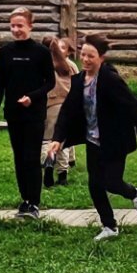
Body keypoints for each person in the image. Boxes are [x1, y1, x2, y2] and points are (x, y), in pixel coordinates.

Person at [46, 33, 137, 240]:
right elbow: (67, 111)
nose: (85, 60)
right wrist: (57, 139)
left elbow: (134, 107)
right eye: (83, 55)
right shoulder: (79, 80)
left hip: (115, 139)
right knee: (95, 185)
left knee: (112, 182)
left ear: (101, 58)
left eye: (91, 56)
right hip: (93, 140)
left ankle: (135, 194)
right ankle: (109, 226)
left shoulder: (110, 79)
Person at [0, 6, 56, 217]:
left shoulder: (41, 52)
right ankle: (25, 200)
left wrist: (32, 97)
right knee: (19, 157)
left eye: (20, 25)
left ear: (30, 26)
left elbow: (50, 82)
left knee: (31, 157)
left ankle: (34, 202)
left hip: (34, 113)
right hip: (13, 113)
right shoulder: (5, 52)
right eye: (12, 26)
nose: (16, 30)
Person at [42, 36, 79, 187]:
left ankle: (48, 162)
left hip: (50, 106)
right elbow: (78, 84)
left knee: (48, 139)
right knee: (63, 140)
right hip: (68, 105)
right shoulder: (70, 65)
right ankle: (62, 174)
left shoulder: (44, 64)